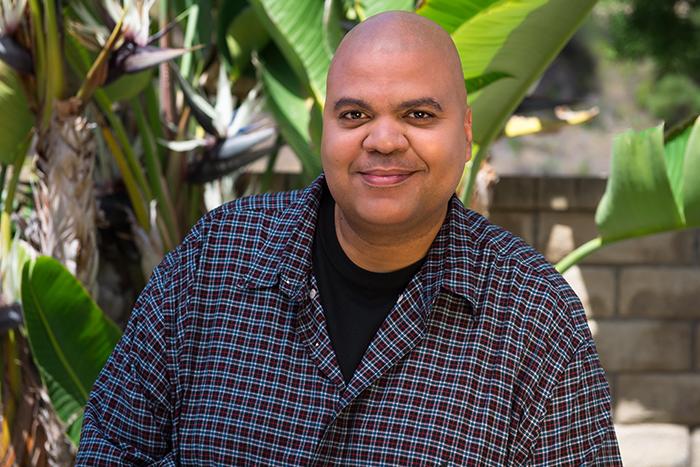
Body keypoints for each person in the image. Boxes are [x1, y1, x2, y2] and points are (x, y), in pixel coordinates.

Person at [77, 11, 622, 465]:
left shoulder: (535, 319)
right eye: (355, 113)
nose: (383, 140)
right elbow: (111, 446)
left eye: (419, 114)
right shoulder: (215, 260)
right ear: (326, 132)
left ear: (465, 131)